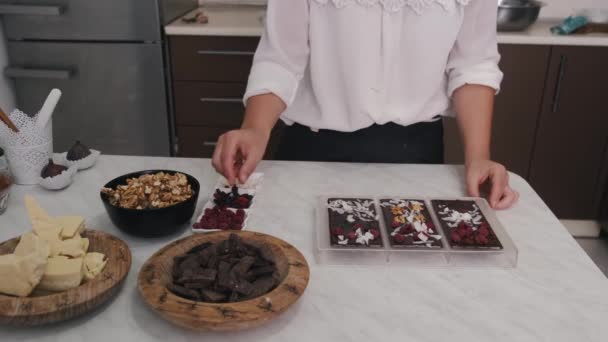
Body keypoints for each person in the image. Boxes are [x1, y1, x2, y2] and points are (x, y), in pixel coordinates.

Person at [212, 0, 519, 209]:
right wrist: (254, 128)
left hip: (415, 155)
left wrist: (479, 157)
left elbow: (473, 65)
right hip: (311, 151)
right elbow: (281, 59)